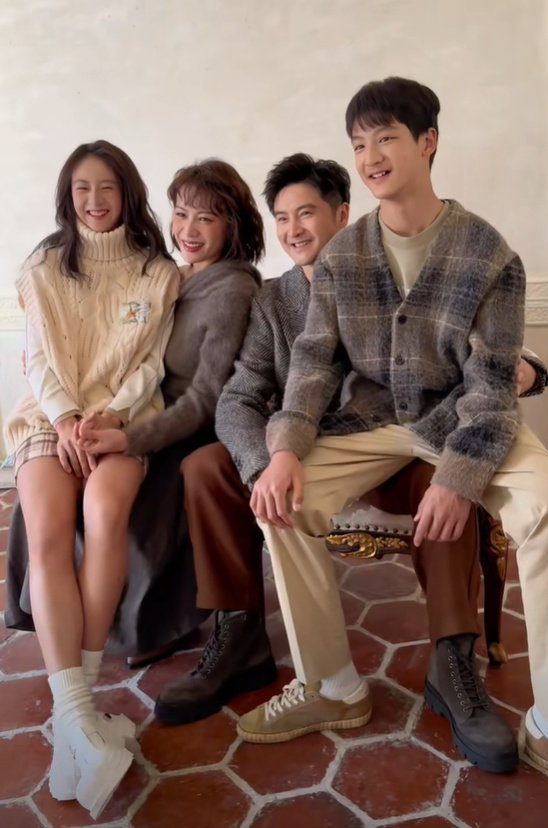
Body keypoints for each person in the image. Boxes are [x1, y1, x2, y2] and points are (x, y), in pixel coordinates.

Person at [154, 152, 544, 755]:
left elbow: (459, 351)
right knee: (206, 467)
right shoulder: (271, 303)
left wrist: (530, 370)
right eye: (282, 217)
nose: (293, 230)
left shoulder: (387, 271)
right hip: (314, 444)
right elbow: (239, 397)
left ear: (342, 215)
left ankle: (453, 658)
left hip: (400, 440)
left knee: (446, 482)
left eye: (306, 213)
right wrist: (266, 463)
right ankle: (241, 634)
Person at [239, 80, 548, 777]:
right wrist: (284, 449)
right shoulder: (343, 256)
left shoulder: (489, 254)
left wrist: (459, 478)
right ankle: (331, 685)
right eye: (359, 144)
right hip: (372, 420)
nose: (371, 156)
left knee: (544, 505)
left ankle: (547, 719)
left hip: (464, 416)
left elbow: (492, 383)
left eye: (386, 138)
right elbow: (314, 364)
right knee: (279, 499)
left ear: (427, 142)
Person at [3, 140, 180, 817]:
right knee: (48, 531)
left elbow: (151, 365)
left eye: (107, 187)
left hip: (120, 421)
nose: (95, 200)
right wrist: (68, 419)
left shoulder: (158, 272)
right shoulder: (43, 267)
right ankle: (80, 716)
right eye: (82, 188)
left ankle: (71, 727)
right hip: (51, 417)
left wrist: (110, 416)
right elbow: (39, 360)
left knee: (105, 516)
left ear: (127, 192)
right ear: (67, 195)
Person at [73, 159, 264, 667]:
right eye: (181, 214)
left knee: (140, 496)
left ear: (233, 225)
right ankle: (74, 613)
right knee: (61, 470)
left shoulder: (232, 290)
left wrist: (130, 439)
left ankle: (155, 625)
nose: (188, 230)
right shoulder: (171, 275)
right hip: (139, 410)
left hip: (191, 429)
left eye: (206, 218)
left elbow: (205, 400)